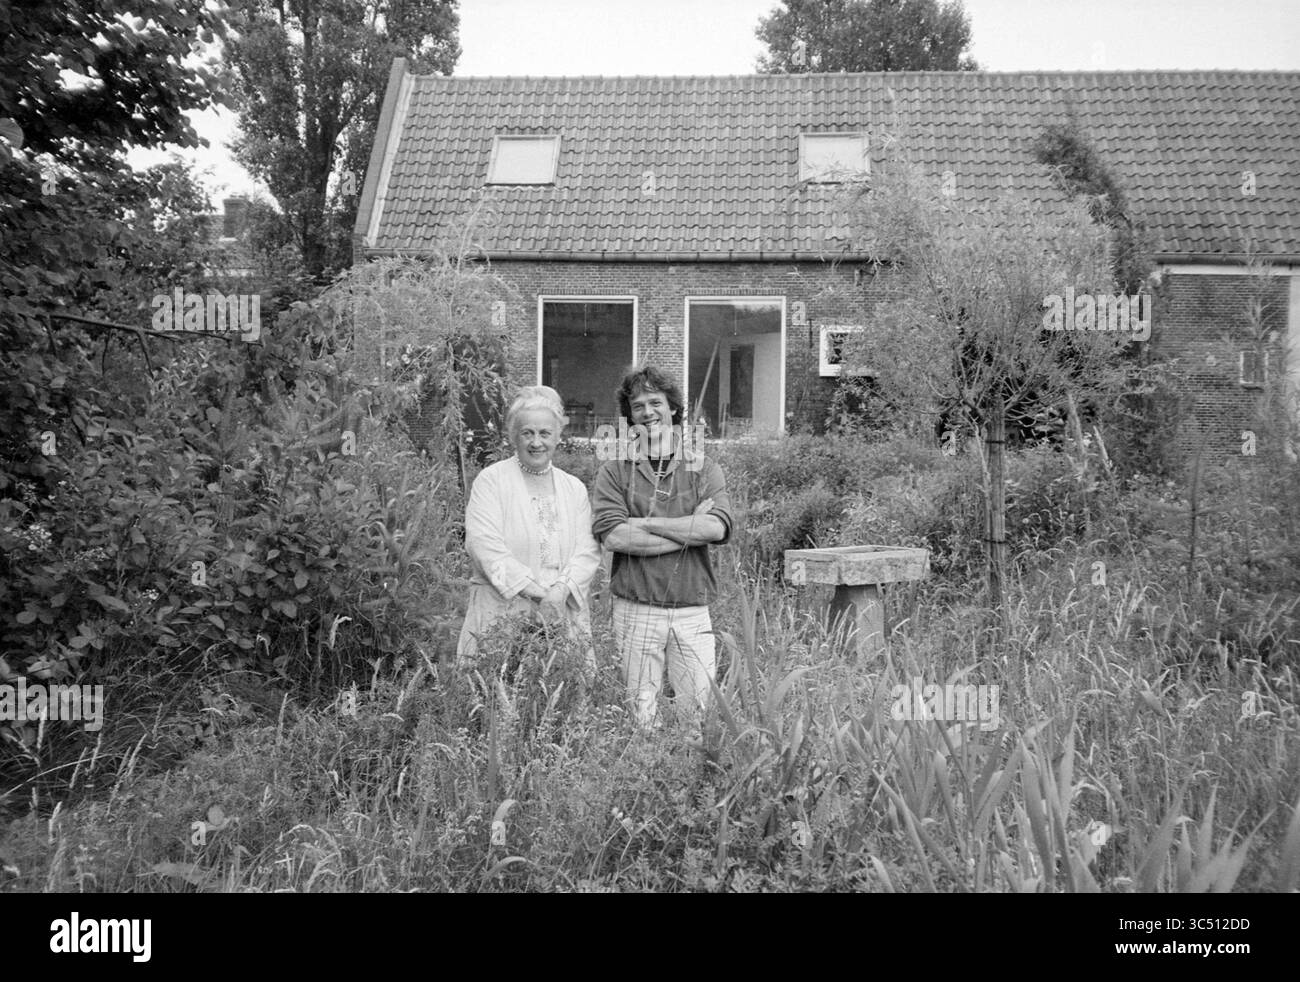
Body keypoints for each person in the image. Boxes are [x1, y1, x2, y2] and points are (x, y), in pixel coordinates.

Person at [591, 365, 733, 729]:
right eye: (638, 406)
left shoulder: (703, 467)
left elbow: (715, 528)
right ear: (630, 417)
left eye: (655, 402)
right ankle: (645, 782)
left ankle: (690, 778)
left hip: (691, 608)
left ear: (672, 408)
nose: (648, 412)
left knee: (697, 712)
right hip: (635, 606)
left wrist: (645, 523)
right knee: (641, 713)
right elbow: (615, 537)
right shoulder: (614, 471)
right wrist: (687, 529)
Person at [457, 385, 601, 668]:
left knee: (561, 697)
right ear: (514, 436)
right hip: (503, 614)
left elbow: (587, 550)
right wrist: (538, 594)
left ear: (558, 436)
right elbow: (483, 545)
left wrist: (559, 593)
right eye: (528, 433)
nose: (537, 442)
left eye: (545, 433)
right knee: (499, 697)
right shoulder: (491, 481)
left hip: (561, 614)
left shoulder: (574, 488)